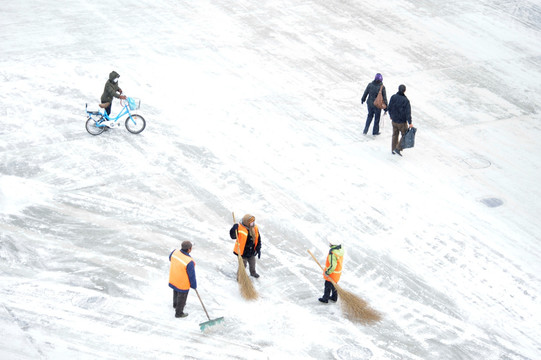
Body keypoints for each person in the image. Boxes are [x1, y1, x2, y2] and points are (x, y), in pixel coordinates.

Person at [168, 241, 197, 318]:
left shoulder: (175, 252)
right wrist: (194, 285)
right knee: (182, 297)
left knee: (176, 292)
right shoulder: (189, 261)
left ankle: (175, 305)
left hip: (174, 277)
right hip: (182, 283)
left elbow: (170, 258)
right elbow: (192, 275)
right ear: (189, 249)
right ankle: (179, 313)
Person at [230, 214, 261, 278]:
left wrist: (258, 248)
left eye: (253, 222)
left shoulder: (254, 227)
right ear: (246, 223)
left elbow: (258, 238)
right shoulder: (239, 228)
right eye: (251, 222)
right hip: (242, 252)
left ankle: (253, 273)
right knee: (243, 265)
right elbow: (233, 236)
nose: (253, 223)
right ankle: (240, 276)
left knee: (252, 263)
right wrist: (233, 229)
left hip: (251, 251)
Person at [387, 84, 413, 156]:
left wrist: (391, 115)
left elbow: (389, 107)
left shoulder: (393, 97)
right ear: (404, 91)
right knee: (405, 135)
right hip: (402, 122)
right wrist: (410, 122)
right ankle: (398, 148)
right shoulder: (406, 100)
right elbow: (408, 113)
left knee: (395, 135)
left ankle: (393, 149)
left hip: (394, 120)